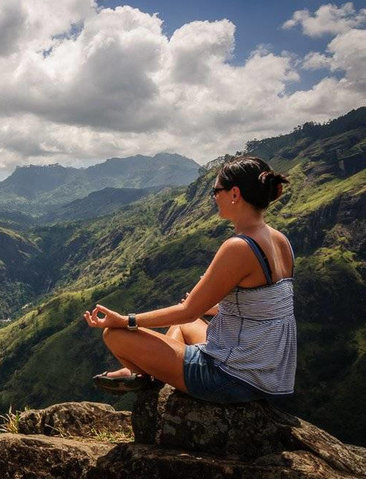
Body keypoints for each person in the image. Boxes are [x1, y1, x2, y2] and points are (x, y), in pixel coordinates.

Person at [83, 156, 295, 403]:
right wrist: (220, 307)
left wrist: (125, 320)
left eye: (216, 191)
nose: (214, 197)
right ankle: (146, 373)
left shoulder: (238, 247)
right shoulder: (281, 240)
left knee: (114, 334)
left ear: (234, 194)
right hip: (271, 376)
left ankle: (144, 374)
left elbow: (187, 311)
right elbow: (269, 305)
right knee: (183, 327)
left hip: (233, 378)